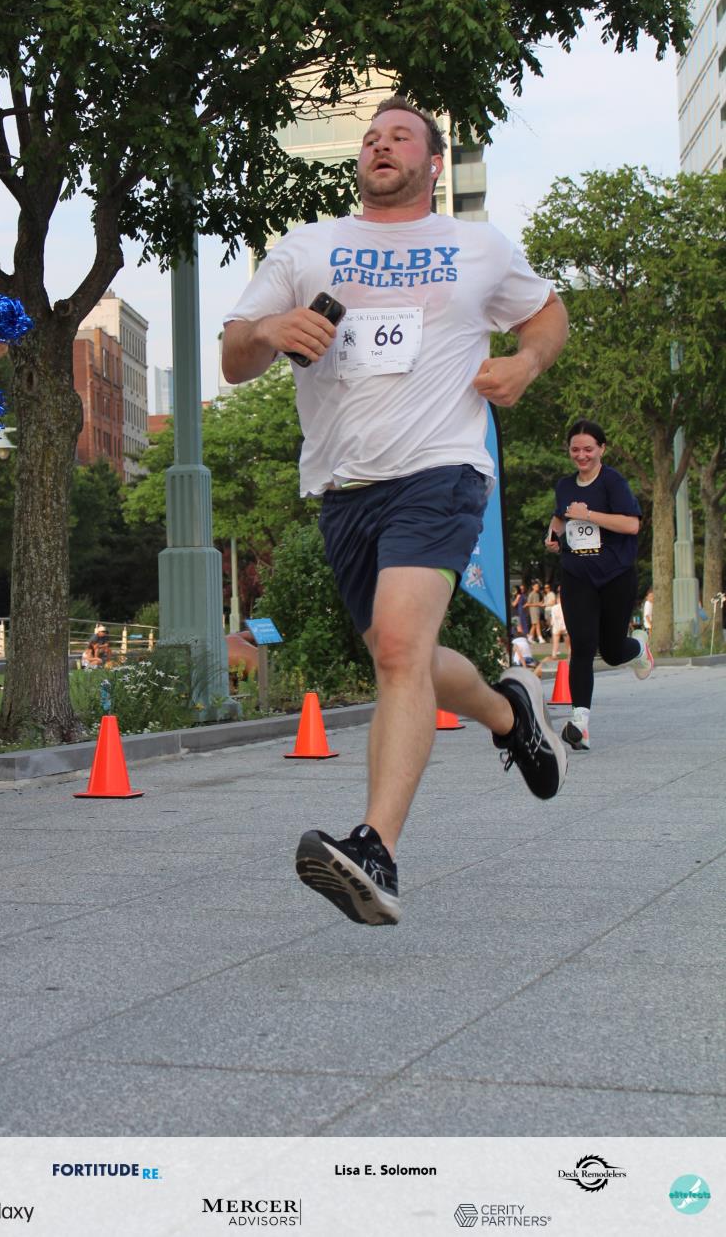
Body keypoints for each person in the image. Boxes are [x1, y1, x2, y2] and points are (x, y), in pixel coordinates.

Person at [222, 93, 569, 927]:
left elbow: (549, 315)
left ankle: (375, 850)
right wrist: (272, 329)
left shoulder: (477, 246)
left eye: (401, 136)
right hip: (345, 487)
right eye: (372, 137)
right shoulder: (309, 247)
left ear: (434, 163)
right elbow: (234, 356)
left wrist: (525, 364)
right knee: (394, 651)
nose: (381, 145)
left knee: (403, 649)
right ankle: (508, 713)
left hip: (442, 469)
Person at [545, 419, 653, 752]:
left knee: (611, 650)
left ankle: (638, 648)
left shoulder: (613, 482)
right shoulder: (565, 485)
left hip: (615, 575)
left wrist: (588, 514)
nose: (581, 455)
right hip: (577, 575)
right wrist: (552, 535)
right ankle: (579, 724)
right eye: (575, 449)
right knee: (582, 645)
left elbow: (631, 525)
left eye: (588, 449)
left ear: (602, 449)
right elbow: (561, 517)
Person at [550, 590, 567, 658]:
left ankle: (554, 655)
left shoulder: (553, 608)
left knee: (555, 644)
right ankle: (570, 656)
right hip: (565, 627)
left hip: (556, 627)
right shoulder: (566, 607)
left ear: (557, 599)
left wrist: (552, 624)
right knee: (568, 645)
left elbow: (552, 619)